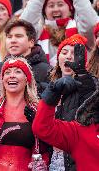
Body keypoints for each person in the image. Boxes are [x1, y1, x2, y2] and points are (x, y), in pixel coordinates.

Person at [37, 34, 96, 170]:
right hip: (52, 162)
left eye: (74, 53)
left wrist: (81, 73)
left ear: (82, 61)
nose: (69, 56)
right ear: (58, 58)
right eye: (64, 52)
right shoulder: (49, 88)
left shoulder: (90, 84)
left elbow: (91, 101)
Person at [20, 0, 98, 66]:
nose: (56, 9)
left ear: (71, 9)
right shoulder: (38, 32)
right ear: (44, 12)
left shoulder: (81, 31)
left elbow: (91, 26)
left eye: (60, 4)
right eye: (51, 5)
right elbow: (22, 29)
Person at [0, 19, 51, 99]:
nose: (13, 41)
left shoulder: (47, 71)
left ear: (31, 42)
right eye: (9, 37)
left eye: (18, 36)